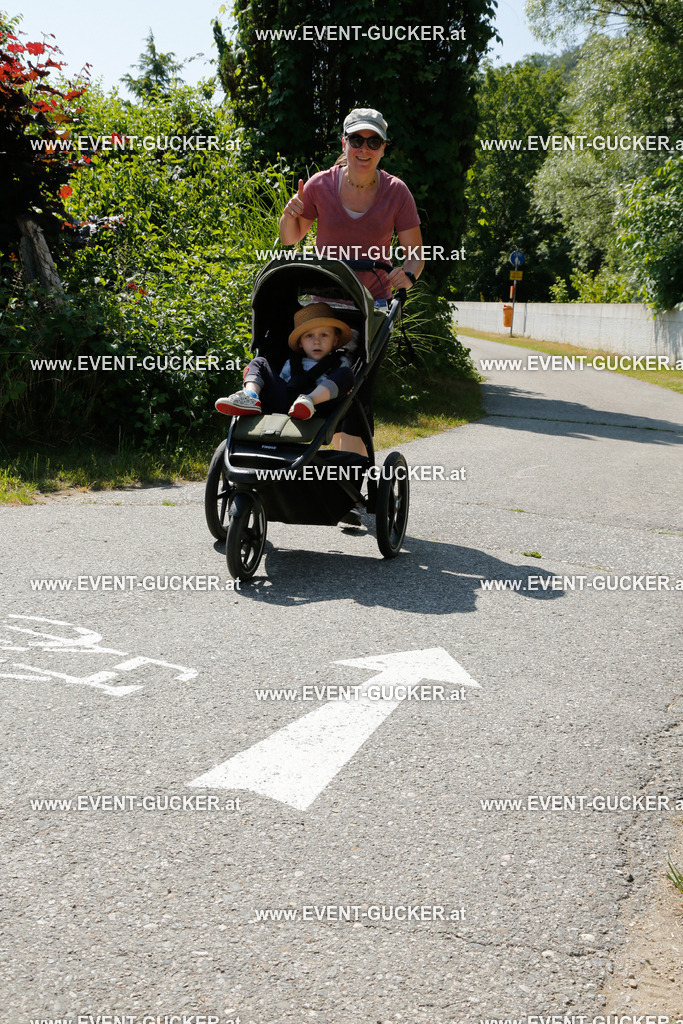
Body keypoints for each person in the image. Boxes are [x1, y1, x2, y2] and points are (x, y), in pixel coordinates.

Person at [278, 107, 425, 458]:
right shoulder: (320, 185)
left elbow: (415, 256)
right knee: (308, 376)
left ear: (383, 148)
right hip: (324, 304)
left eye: (373, 141)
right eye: (357, 139)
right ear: (344, 144)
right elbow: (290, 238)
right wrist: (290, 212)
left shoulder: (397, 192)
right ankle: (300, 457)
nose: (364, 148)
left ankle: (347, 474)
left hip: (370, 308)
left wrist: (407, 274)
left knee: (356, 391)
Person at [216, 302, 354, 421]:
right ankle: (250, 397)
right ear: (300, 342)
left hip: (318, 405)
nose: (316, 341)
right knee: (259, 362)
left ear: (335, 340)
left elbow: (342, 385)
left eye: (324, 335)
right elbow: (282, 382)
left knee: (346, 374)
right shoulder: (292, 361)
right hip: (285, 398)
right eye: (309, 336)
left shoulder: (339, 362)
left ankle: (308, 401)